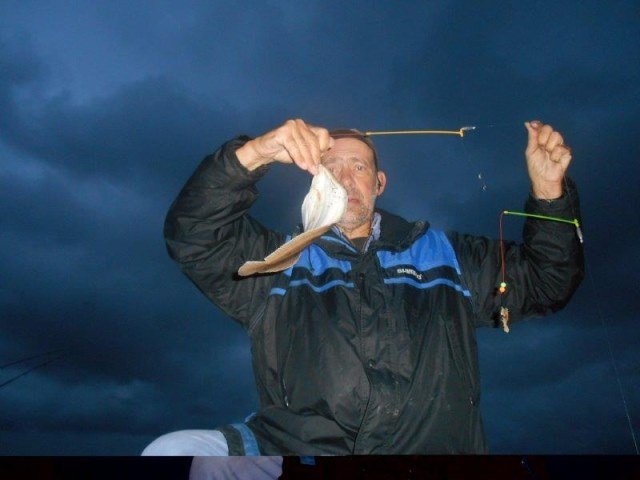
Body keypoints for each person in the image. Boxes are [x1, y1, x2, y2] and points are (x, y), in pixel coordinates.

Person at [143, 119, 583, 471]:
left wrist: (550, 195)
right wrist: (253, 154)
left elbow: (549, 281)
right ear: (314, 181)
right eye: (332, 166)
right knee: (173, 452)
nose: (346, 178)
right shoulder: (279, 260)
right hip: (298, 453)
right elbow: (193, 235)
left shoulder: (449, 255)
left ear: (379, 182)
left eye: (359, 167)